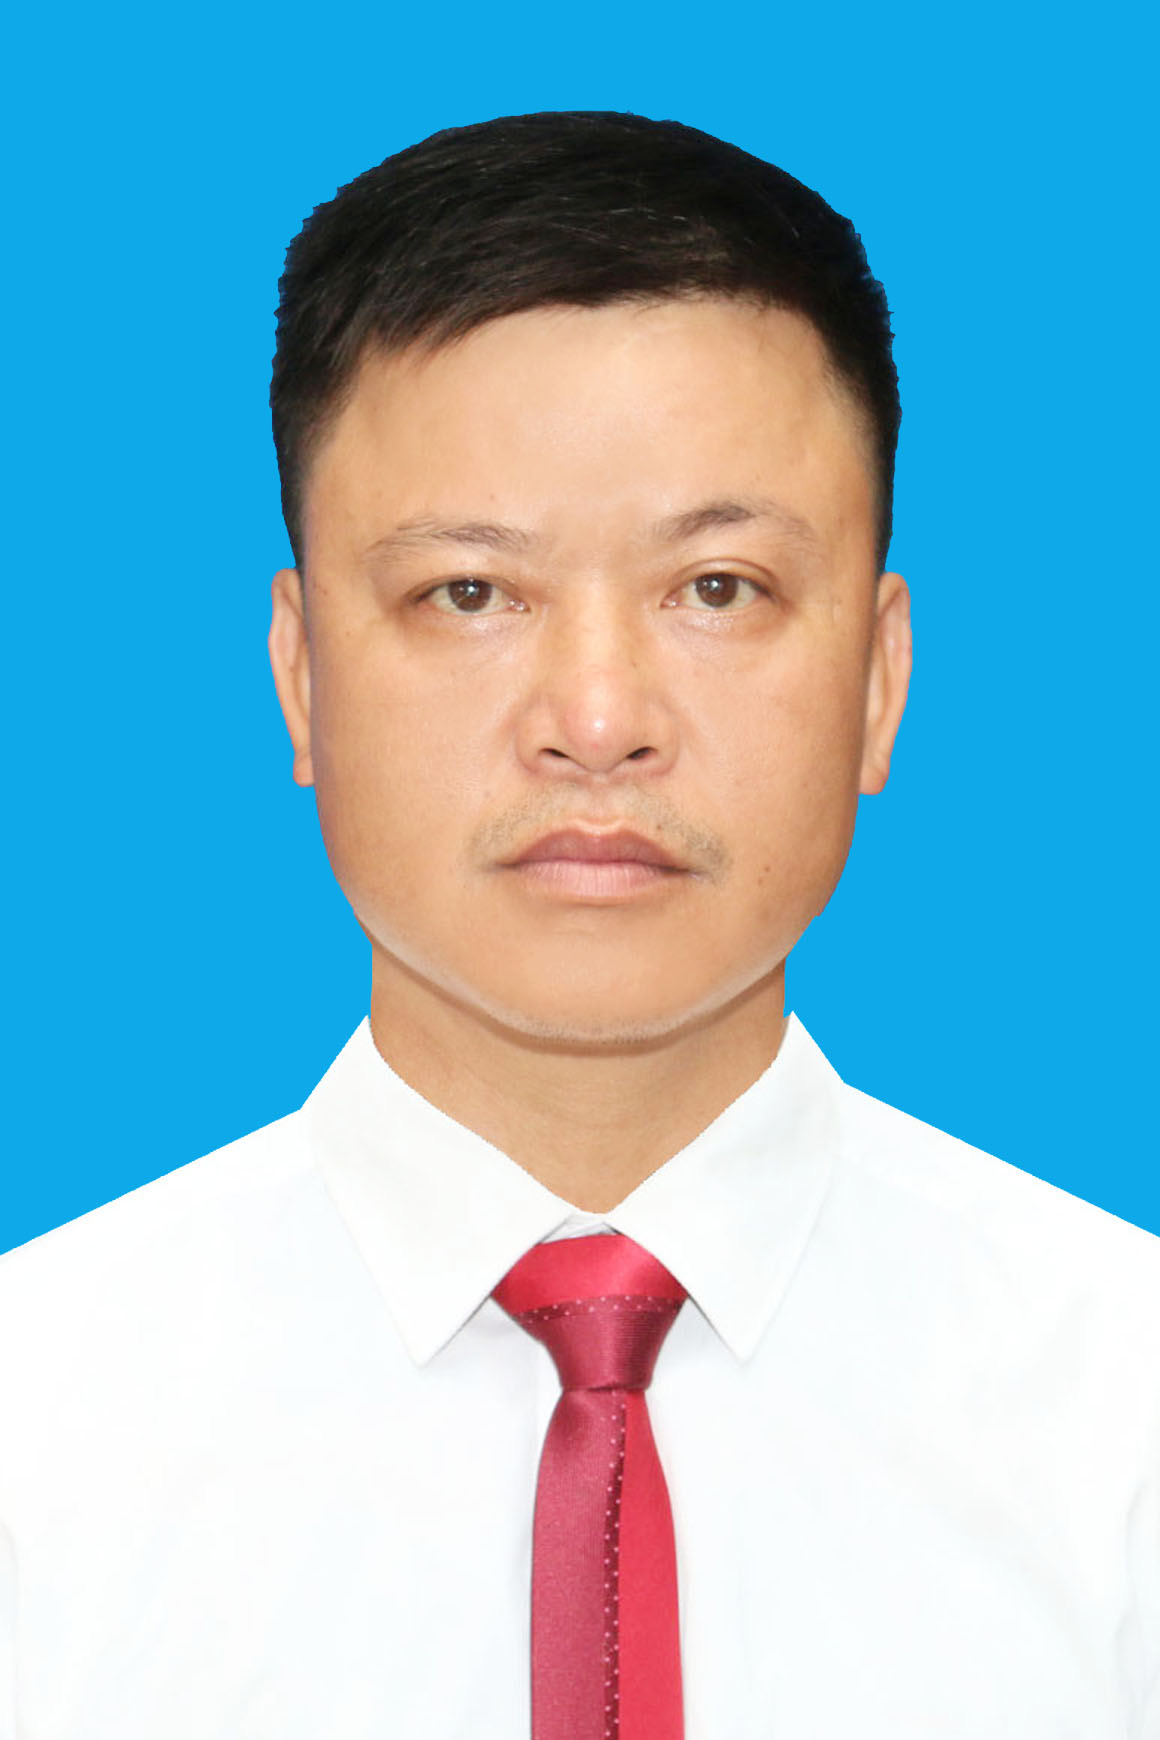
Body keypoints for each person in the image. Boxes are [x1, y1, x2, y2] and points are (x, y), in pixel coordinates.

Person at [1, 109, 1157, 1740]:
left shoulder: (1128, 1418)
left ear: (880, 679)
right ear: (301, 675)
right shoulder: (36, 1438)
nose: (599, 719)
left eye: (719, 589)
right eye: (470, 594)